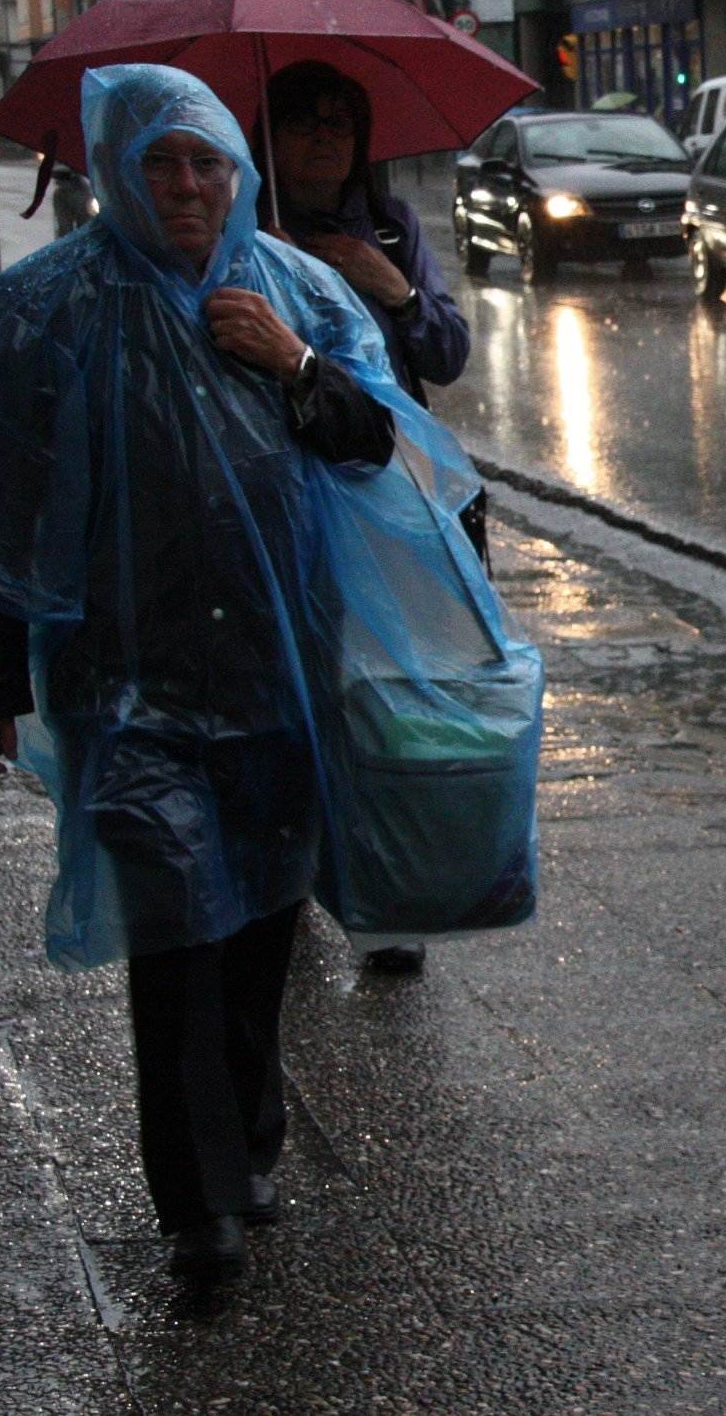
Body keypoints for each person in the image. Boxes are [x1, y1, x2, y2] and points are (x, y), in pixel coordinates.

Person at [0, 65, 543, 1284]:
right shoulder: (44, 307)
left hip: (279, 664)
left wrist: (293, 363)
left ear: (237, 170)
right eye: (160, 162)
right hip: (124, 674)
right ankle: (200, 1203)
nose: (187, 185)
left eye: (207, 162)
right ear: (116, 170)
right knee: (172, 924)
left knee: (261, 912)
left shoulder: (295, 288)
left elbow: (383, 444)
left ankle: (250, 1136)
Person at [260, 58, 482, 981]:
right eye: (303, 122)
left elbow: (447, 352)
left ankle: (388, 901)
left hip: (390, 496)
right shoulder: (248, 233)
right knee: (298, 690)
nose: (324, 138)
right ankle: (290, 872)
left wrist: (391, 286)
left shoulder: (391, 227)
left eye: (339, 125)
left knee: (392, 692)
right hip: (283, 496)